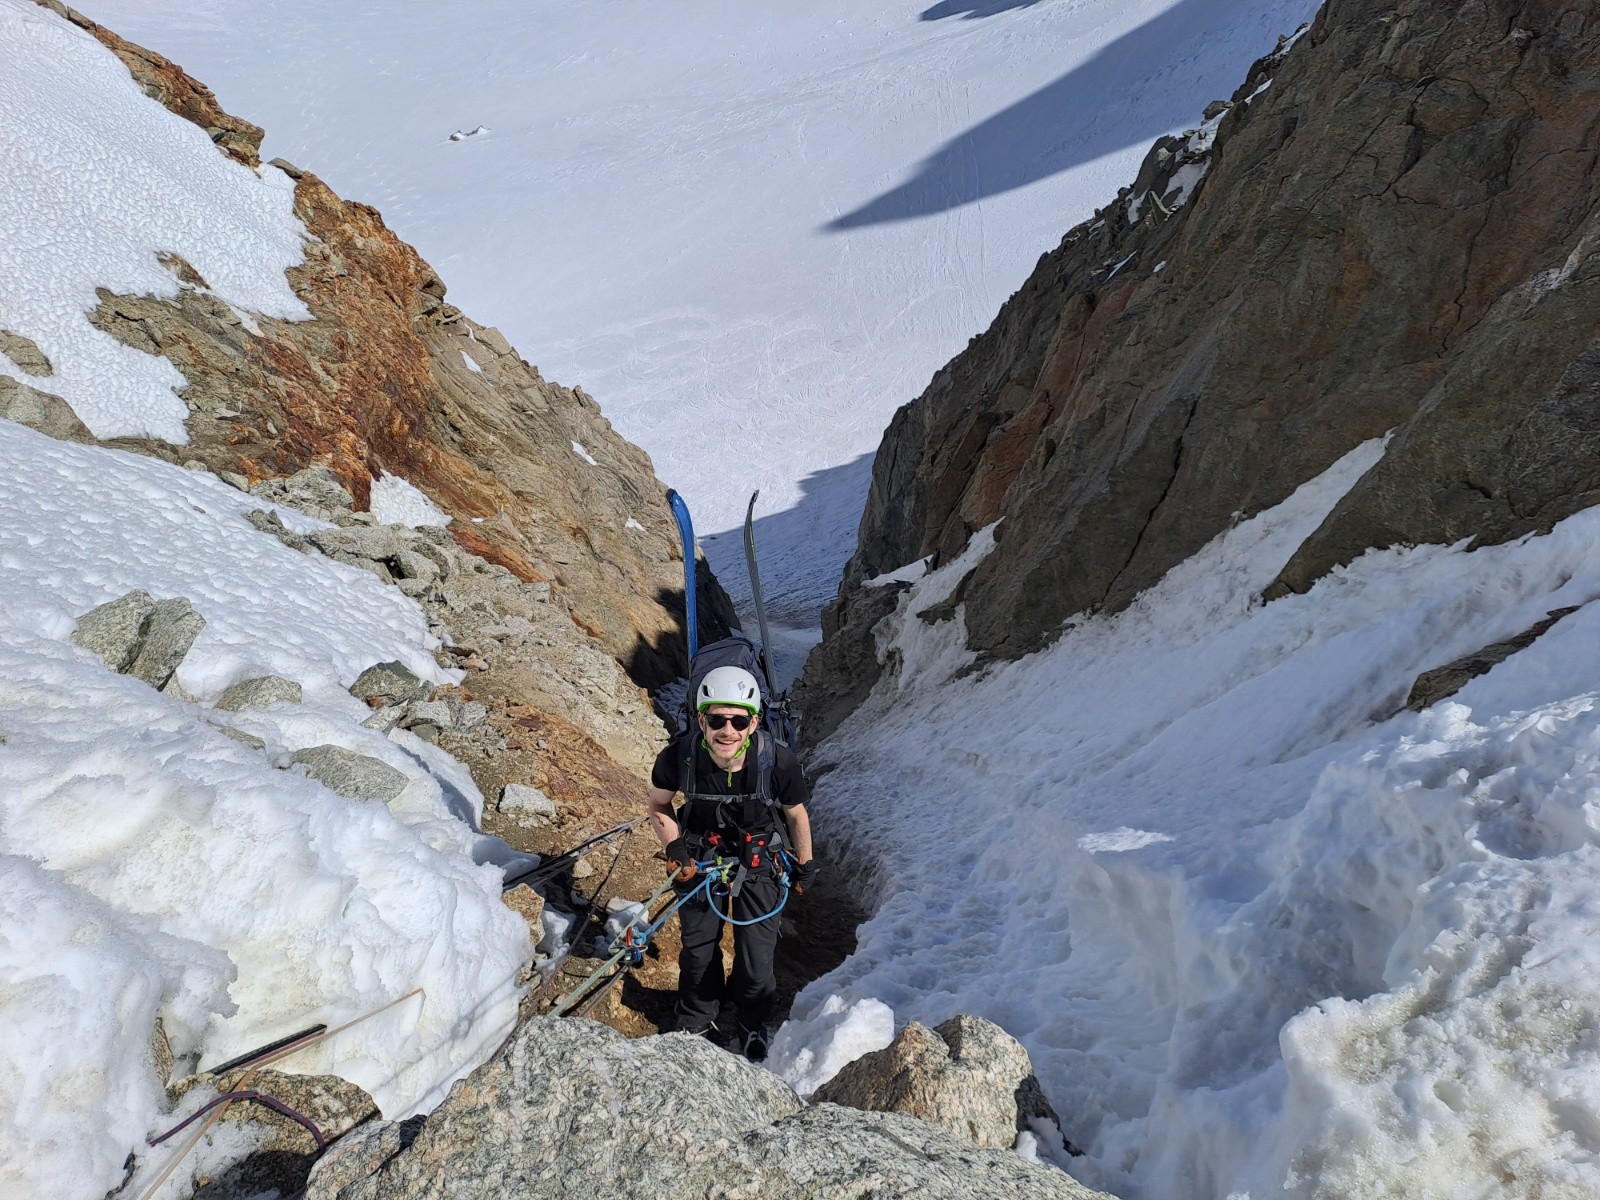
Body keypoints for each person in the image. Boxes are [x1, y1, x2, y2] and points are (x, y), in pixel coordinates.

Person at [646, 665, 814, 1061]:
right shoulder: (679, 758)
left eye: (739, 720)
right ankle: (697, 1016)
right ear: (701, 719)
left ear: (754, 722)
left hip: (760, 861)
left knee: (757, 956)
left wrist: (804, 863)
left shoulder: (778, 761)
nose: (728, 731)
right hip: (700, 858)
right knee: (699, 948)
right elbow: (658, 803)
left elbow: (796, 813)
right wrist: (675, 848)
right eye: (717, 719)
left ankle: (750, 1020)